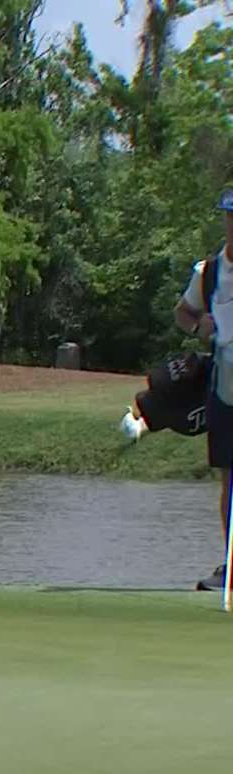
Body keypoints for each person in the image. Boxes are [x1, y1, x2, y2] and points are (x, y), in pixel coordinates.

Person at [173, 188, 233, 591]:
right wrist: (200, 327)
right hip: (226, 383)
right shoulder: (209, 271)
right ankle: (230, 563)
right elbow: (183, 312)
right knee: (229, 479)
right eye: (230, 216)